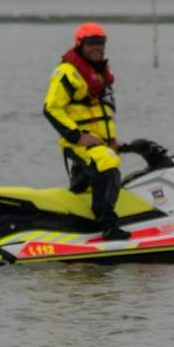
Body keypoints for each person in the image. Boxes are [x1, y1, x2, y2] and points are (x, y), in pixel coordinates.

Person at [44, 21, 128, 240]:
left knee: (83, 189)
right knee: (108, 166)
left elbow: (100, 112)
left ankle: (76, 226)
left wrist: (111, 139)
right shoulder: (68, 73)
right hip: (78, 142)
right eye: (91, 44)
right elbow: (51, 109)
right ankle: (107, 227)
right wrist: (76, 136)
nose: (97, 48)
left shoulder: (99, 73)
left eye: (100, 43)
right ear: (80, 44)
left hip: (98, 142)